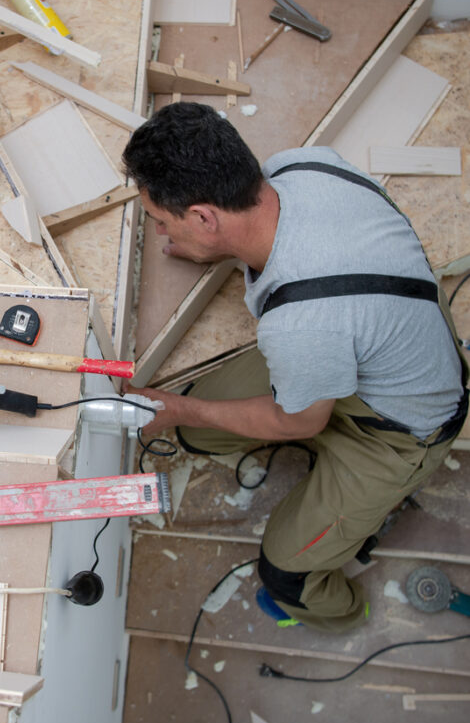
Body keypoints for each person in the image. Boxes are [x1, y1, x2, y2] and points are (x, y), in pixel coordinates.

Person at [123, 102, 468, 633]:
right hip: (381, 334)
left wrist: (177, 407)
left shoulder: (301, 324)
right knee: (194, 428)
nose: (163, 233)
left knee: (284, 572)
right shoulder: (303, 167)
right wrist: (207, 250)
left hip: (400, 432)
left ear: (204, 217)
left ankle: (344, 612)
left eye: (165, 221)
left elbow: (302, 422)